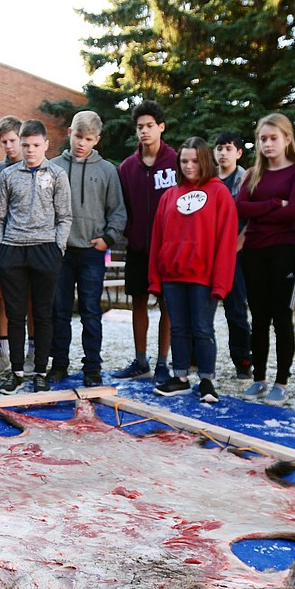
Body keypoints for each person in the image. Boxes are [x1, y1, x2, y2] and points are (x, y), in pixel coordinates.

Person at [148, 137, 237, 404]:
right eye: (184, 161)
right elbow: (157, 238)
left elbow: (226, 240)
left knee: (202, 329)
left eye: (195, 161)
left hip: (203, 277)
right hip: (173, 276)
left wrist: (221, 283)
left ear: (205, 161)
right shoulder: (169, 195)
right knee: (178, 328)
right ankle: (181, 377)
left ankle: (207, 381)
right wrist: (155, 279)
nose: (189, 166)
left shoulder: (219, 193)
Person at [235, 113, 295, 404]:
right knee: (259, 317)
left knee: (281, 317)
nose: (267, 144)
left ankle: (281, 381)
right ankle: (259, 379)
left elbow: (293, 211)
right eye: (263, 139)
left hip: (284, 251)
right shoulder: (253, 174)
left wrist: (261, 211)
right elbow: (239, 206)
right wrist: (270, 204)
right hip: (254, 250)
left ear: (287, 139)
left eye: (273, 138)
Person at [0, 119, 72, 394]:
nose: (30, 150)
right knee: (15, 314)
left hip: (45, 250)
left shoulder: (58, 175)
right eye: (25, 145)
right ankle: (16, 372)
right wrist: (0, 248)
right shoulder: (8, 175)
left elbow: (65, 216)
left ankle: (39, 371)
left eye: (36, 145)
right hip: (12, 250)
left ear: (46, 145)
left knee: (42, 314)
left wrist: (57, 248)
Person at [48, 111, 126, 387]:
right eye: (78, 136)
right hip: (61, 252)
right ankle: (58, 364)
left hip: (92, 252)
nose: (82, 143)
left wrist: (108, 238)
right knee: (59, 311)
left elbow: (118, 211)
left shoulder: (107, 170)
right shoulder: (53, 167)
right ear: (70, 132)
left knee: (91, 311)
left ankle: (92, 367)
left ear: (97, 140)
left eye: (88, 139)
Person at [114, 100, 178, 383]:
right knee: (138, 303)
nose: (144, 131)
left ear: (161, 127)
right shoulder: (127, 167)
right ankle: (141, 361)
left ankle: (163, 363)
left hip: (168, 249)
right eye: (140, 127)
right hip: (138, 248)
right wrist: (132, 232)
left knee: (168, 305)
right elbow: (120, 206)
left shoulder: (177, 161)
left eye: (149, 126)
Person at [214, 131, 253, 378]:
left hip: (236, 253)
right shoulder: (208, 181)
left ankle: (243, 361)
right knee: (201, 309)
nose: (223, 153)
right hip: (209, 253)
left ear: (238, 153)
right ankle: (198, 358)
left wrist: (238, 244)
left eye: (228, 148)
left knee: (236, 309)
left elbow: (251, 219)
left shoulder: (246, 181)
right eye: (219, 148)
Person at [0, 115, 25, 371]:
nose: (9, 146)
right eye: (4, 142)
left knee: (31, 303)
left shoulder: (38, 167)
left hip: (32, 247)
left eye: (12, 140)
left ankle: (31, 353)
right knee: (3, 301)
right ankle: (3, 355)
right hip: (5, 248)